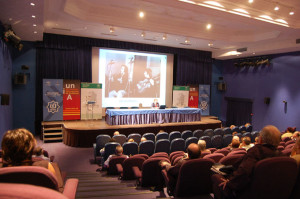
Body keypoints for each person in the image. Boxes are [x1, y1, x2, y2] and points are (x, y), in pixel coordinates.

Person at [212, 125, 282, 199]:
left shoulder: (256, 151)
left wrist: (230, 183)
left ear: (260, 139)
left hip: (249, 193)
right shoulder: (282, 157)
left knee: (216, 177)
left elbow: (244, 172)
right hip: (272, 193)